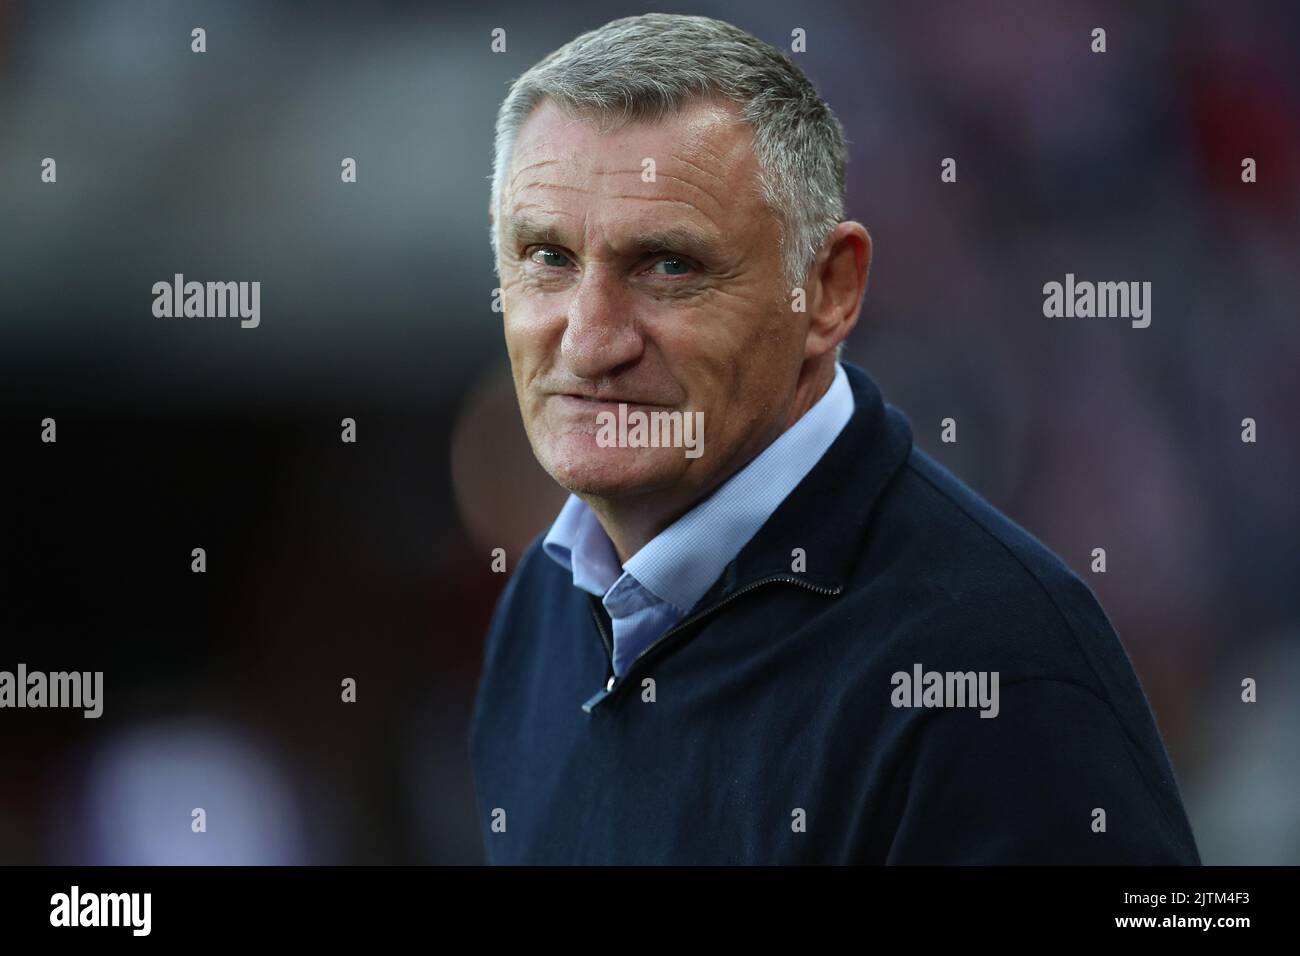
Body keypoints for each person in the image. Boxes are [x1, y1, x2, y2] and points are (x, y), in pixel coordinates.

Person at [468, 13, 1201, 864]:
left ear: (828, 291)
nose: (591, 341)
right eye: (546, 257)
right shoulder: (541, 607)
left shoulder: (994, 675)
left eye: (669, 266)